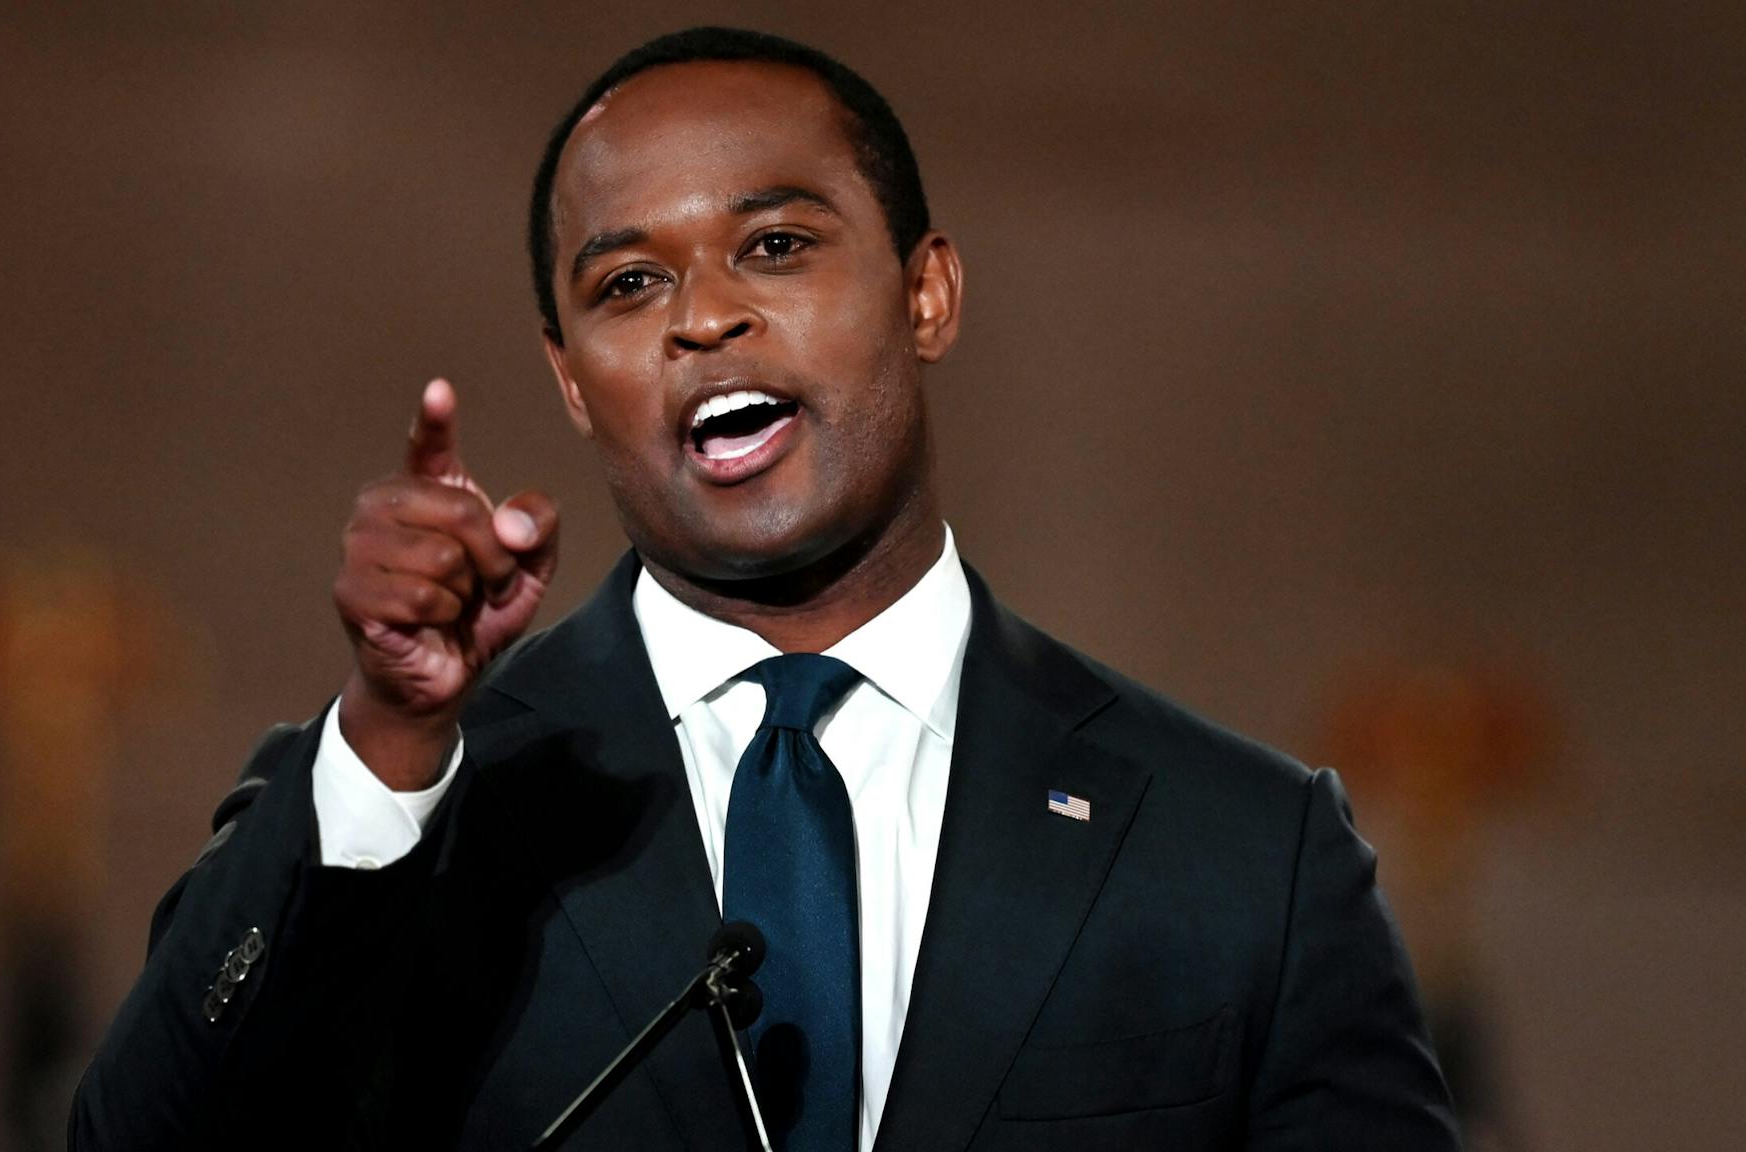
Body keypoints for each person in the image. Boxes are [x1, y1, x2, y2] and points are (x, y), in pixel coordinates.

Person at [71, 26, 1459, 1152]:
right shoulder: (414, 812)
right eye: (627, 284)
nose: (703, 315)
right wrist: (389, 738)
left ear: (929, 295)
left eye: (778, 246)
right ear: (568, 377)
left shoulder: (1246, 858)